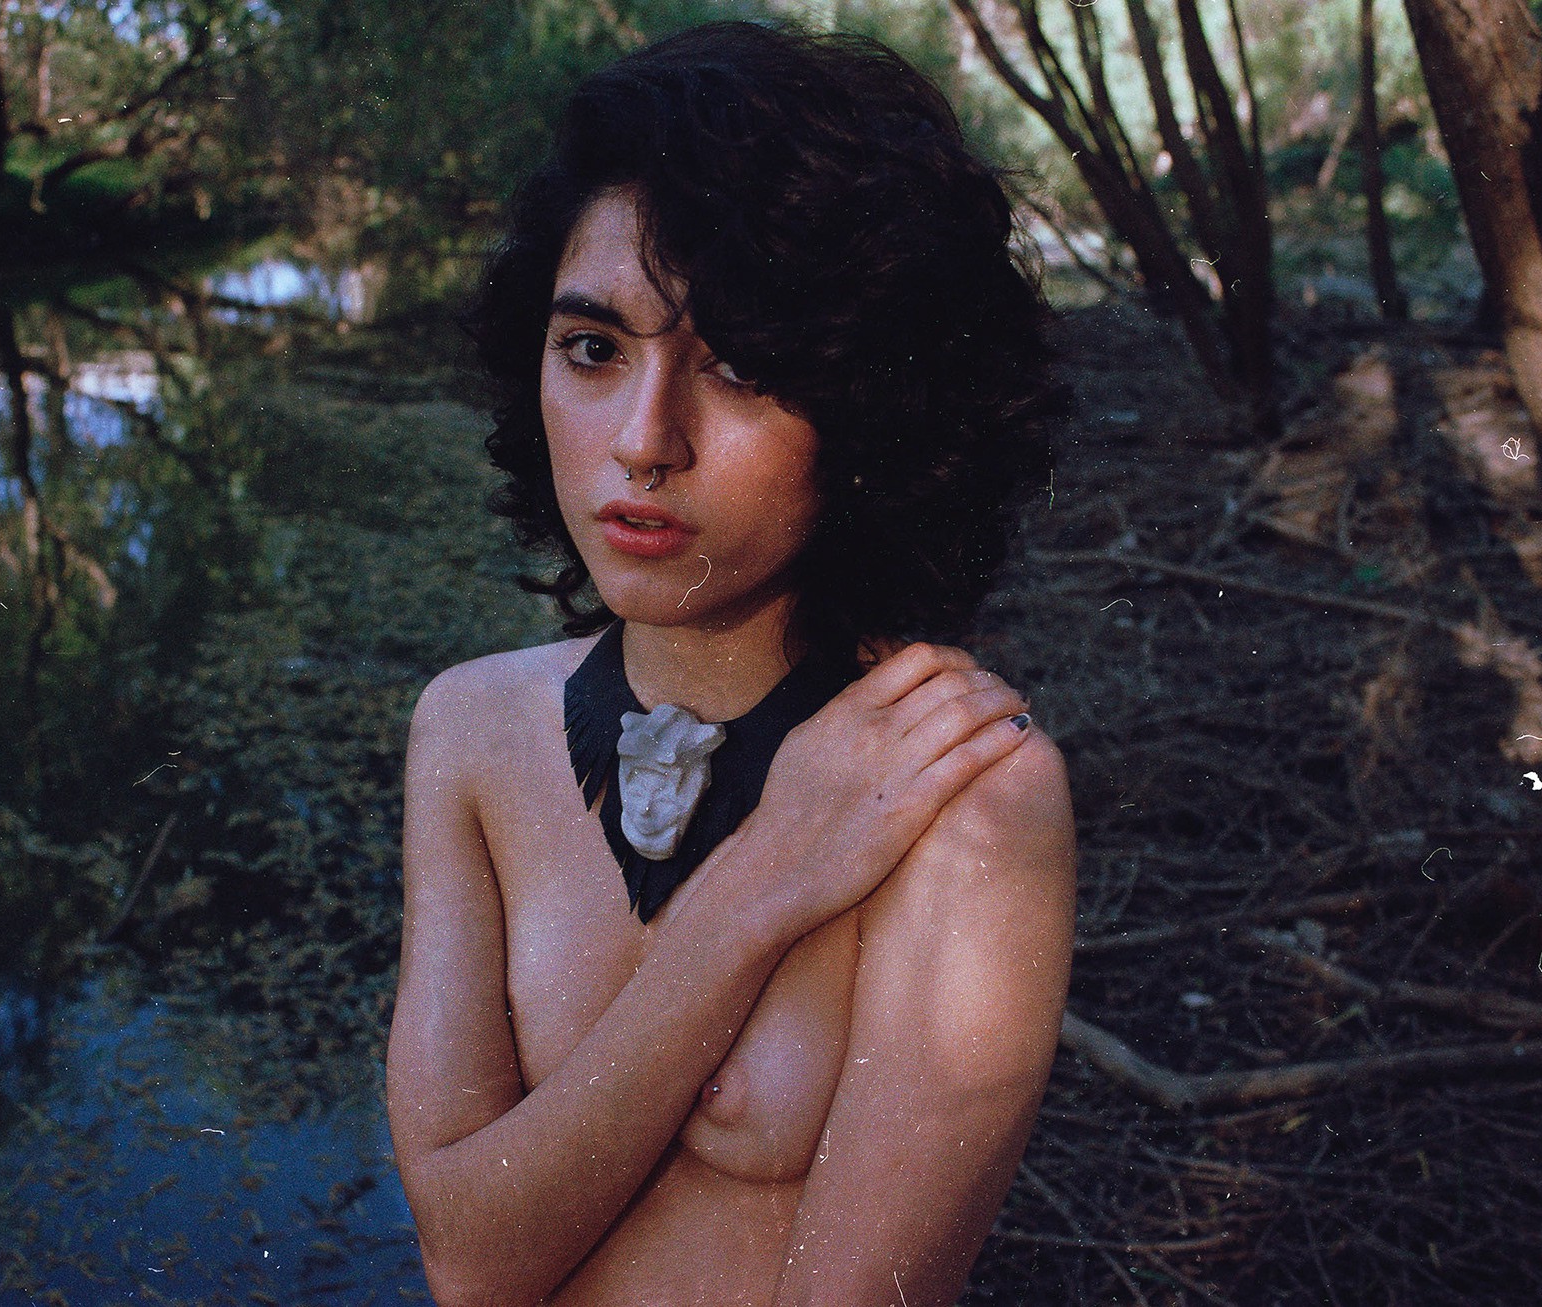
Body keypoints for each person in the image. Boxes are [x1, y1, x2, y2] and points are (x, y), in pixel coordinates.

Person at [385, 21, 1075, 1306]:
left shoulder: (966, 792)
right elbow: (468, 1259)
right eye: (594, 348)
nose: (643, 442)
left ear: (874, 404)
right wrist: (756, 887)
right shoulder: (471, 729)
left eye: (742, 368)